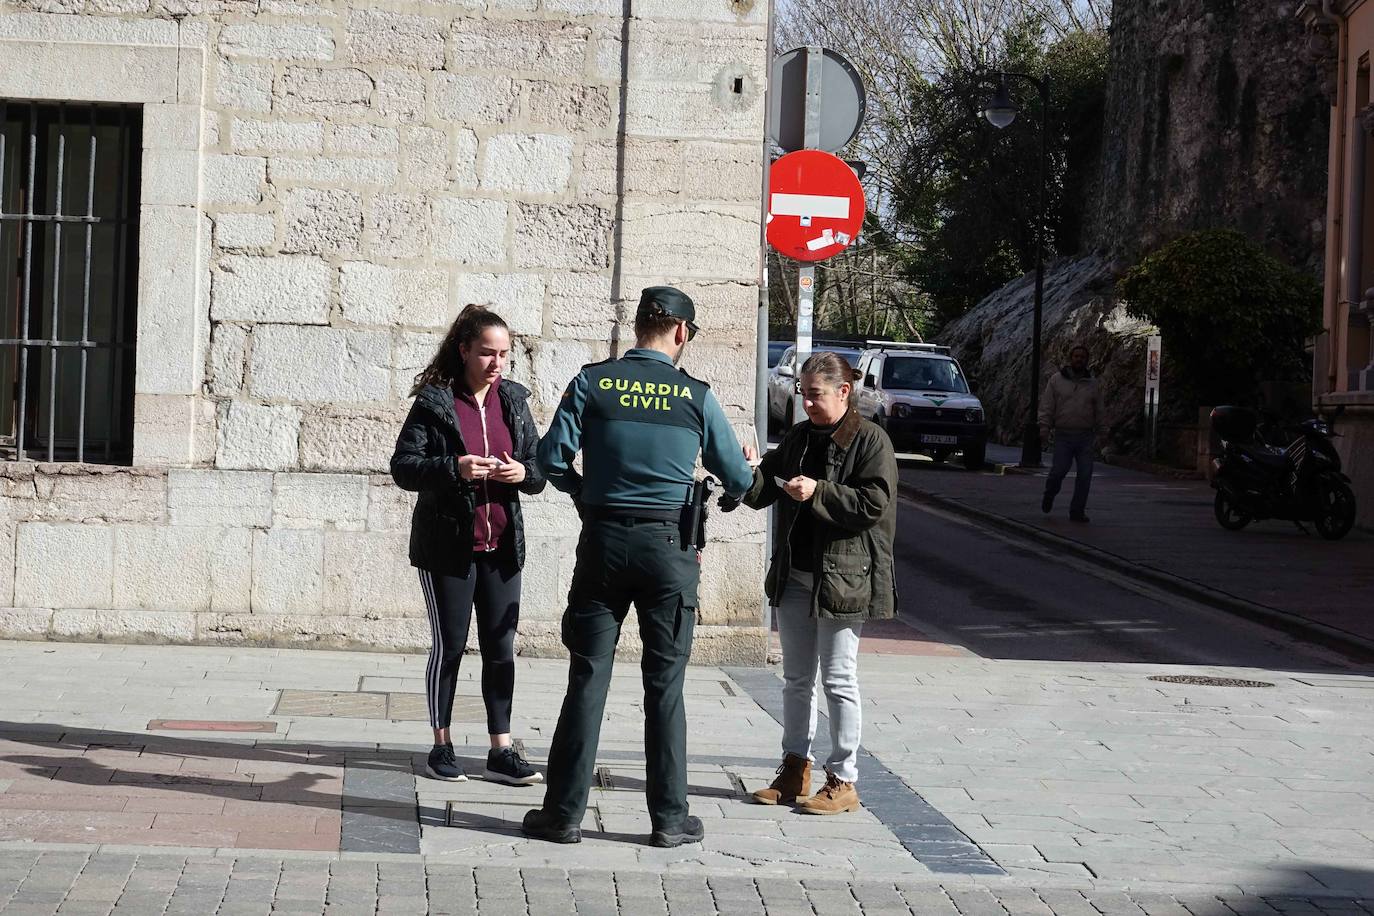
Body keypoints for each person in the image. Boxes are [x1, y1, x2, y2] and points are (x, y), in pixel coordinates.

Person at [520, 286, 754, 847]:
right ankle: (670, 820)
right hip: (669, 550)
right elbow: (739, 480)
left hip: (602, 543)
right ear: (680, 334)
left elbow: (550, 458)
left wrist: (584, 494)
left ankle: (562, 815)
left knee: (587, 677)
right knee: (665, 686)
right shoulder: (696, 396)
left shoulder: (593, 381)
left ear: (641, 326)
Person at [733, 351, 897, 815]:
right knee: (796, 679)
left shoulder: (871, 441)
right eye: (803, 394)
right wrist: (750, 474)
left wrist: (819, 491)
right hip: (796, 573)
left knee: (839, 679)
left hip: (844, 578)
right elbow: (769, 486)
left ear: (845, 392)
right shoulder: (801, 436)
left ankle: (843, 779)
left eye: (815, 395)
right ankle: (793, 769)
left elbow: (874, 504)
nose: (806, 403)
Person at [390, 305, 546, 786]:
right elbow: (403, 467)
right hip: (448, 549)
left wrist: (523, 473)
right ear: (463, 350)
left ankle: (501, 749)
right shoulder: (435, 402)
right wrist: (452, 468)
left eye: (505, 354)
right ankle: (442, 744)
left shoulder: (514, 402)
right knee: (451, 646)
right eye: (487, 353)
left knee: (501, 648)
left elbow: (539, 470)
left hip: (502, 547)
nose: (498, 363)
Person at [1039, 344, 1108, 523]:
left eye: (1082, 357)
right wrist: (1044, 426)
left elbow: (1100, 409)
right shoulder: (1056, 380)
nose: (1079, 359)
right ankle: (1049, 494)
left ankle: (1077, 511)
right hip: (1063, 436)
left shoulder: (1093, 384)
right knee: (1058, 472)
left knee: (1085, 475)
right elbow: (1047, 405)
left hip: (1085, 436)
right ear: (1071, 359)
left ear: (1087, 360)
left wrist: (1103, 431)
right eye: (1076, 356)